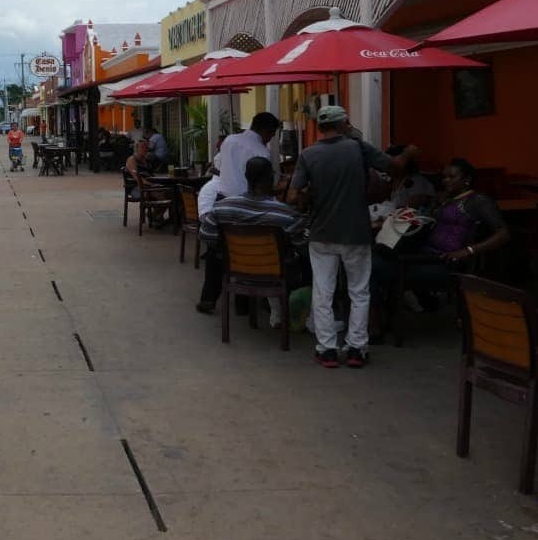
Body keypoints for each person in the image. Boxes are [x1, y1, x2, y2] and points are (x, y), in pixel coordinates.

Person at [288, 105, 416, 369]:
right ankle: (357, 348)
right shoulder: (358, 147)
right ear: (344, 123)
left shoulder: (308, 154)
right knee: (359, 291)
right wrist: (410, 152)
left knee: (323, 292)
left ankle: (327, 350)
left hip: (322, 234)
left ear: (320, 127)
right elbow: (395, 168)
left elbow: (293, 197)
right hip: (356, 233)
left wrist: (311, 194)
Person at [372, 157, 510, 309]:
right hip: (422, 256)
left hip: (443, 264)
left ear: (467, 180)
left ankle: (376, 318)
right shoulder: (447, 199)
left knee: (372, 267)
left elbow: (503, 234)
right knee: (373, 258)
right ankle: (409, 304)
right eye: (444, 177)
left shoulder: (478, 200)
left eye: (452, 177)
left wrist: (468, 250)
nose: (446, 180)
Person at [198, 157, 308, 324]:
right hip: (275, 272)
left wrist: (229, 249)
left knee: (215, 252)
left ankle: (211, 297)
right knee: (309, 260)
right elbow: (300, 245)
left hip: (236, 268)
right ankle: (308, 315)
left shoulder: (222, 208)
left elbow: (206, 235)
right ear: (271, 179)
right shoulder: (286, 215)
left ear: (246, 177)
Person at [217, 112, 280, 197]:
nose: (271, 137)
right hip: (245, 202)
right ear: (267, 131)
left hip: (222, 198)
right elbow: (263, 187)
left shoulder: (229, 140)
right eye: (272, 134)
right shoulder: (262, 152)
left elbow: (219, 166)